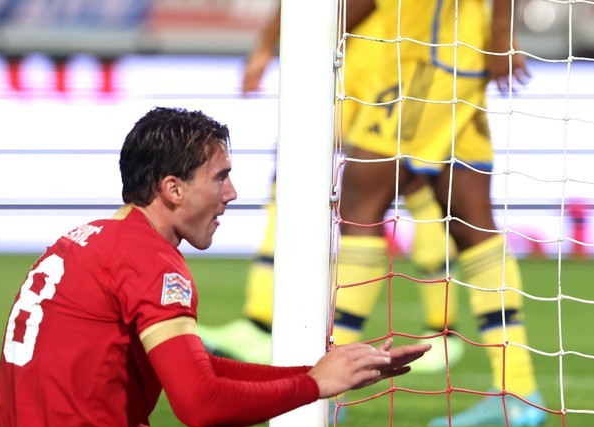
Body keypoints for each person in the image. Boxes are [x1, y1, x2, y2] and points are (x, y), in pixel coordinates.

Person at [0, 106, 594, 427]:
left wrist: (324, 365)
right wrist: (315, 382)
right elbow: (198, 402)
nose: (232, 192)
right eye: (219, 176)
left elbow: (203, 372)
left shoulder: (95, 240)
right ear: (171, 188)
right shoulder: (151, 262)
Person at [198, 2, 466, 378]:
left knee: (414, 179)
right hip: (346, 55)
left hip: (397, 50)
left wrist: (313, 40)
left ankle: (442, 330)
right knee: (292, 167)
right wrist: (269, 46)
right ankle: (260, 322)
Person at [335, 0, 545, 427]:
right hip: (450, 53)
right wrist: (498, 32)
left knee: (360, 200)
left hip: (424, 57)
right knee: (471, 219)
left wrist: (322, 36)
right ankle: (518, 388)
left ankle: (330, 383)